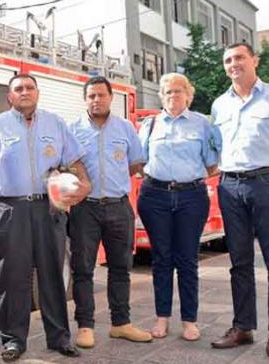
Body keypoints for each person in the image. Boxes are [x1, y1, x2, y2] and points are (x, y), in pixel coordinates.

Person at [0, 73, 90, 362]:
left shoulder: (55, 123)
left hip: (49, 209)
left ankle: (59, 338)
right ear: (10, 96)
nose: (24, 92)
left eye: (29, 87)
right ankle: (12, 340)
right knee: (12, 277)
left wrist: (84, 185)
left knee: (52, 274)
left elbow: (75, 160)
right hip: (10, 210)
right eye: (18, 89)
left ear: (37, 93)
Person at [68, 76, 152, 348]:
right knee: (82, 270)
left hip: (118, 207)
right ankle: (85, 326)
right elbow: (64, 164)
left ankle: (121, 324)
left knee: (121, 268)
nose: (96, 100)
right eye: (91, 96)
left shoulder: (126, 128)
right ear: (85, 99)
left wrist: (114, 178)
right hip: (84, 209)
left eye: (101, 95)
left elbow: (135, 162)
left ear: (110, 97)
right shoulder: (73, 128)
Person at [137, 73, 220, 341]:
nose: (173, 96)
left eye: (178, 91)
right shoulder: (149, 125)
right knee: (161, 259)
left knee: (186, 259)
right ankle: (162, 318)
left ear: (188, 95)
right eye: (168, 92)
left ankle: (189, 321)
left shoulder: (202, 125)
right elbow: (139, 164)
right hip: (155, 196)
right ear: (161, 96)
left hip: (190, 197)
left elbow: (211, 164)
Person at [210, 43, 269, 354]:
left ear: (254, 61)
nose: (233, 64)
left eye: (239, 58)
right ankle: (243, 327)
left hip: (265, 182)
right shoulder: (220, 105)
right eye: (228, 60)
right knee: (240, 262)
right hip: (230, 186)